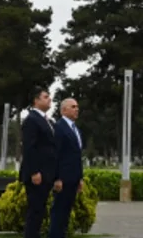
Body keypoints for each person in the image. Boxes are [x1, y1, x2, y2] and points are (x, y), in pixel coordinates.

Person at [20, 88, 57, 238]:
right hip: (37, 175)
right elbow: (29, 148)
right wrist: (34, 171)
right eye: (46, 97)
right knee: (35, 212)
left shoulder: (48, 121)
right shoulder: (32, 120)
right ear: (36, 101)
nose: (49, 99)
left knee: (40, 211)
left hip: (47, 173)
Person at [49, 98, 85, 238]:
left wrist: (80, 178)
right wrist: (57, 178)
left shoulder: (76, 130)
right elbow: (55, 155)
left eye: (77, 107)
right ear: (64, 110)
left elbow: (76, 156)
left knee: (65, 215)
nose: (77, 109)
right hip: (62, 180)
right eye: (73, 106)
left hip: (73, 178)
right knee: (58, 213)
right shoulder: (58, 128)